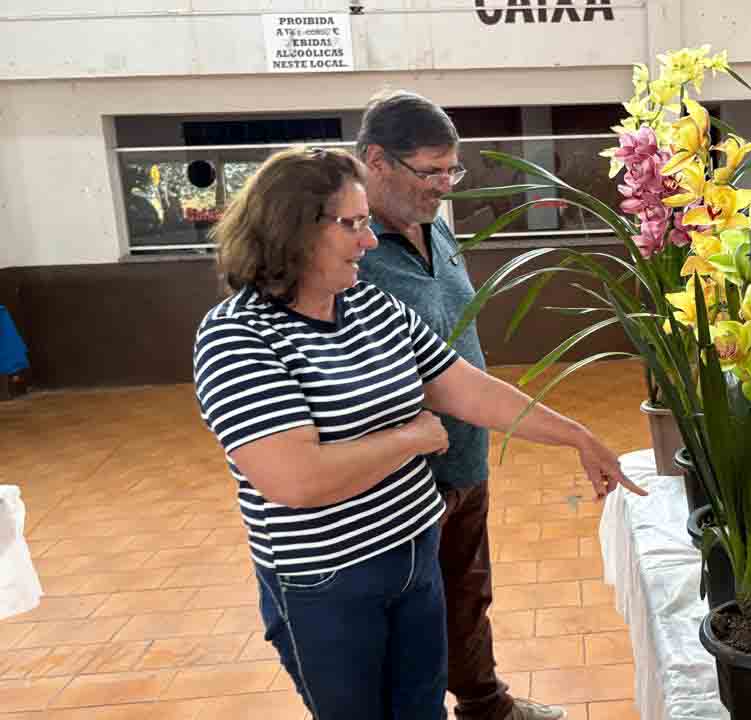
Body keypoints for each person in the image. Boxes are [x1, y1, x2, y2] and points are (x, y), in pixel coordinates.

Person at [192, 146, 643, 720]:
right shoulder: (239, 337)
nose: (370, 240)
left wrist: (577, 435)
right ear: (292, 231)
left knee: (421, 708)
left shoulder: (369, 306)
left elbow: (465, 387)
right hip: (328, 583)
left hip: (412, 553)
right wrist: (412, 440)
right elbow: (295, 480)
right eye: (352, 225)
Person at [353, 90, 571, 720]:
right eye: (431, 172)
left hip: (465, 454)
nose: (445, 186)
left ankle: (484, 703)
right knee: (409, 617)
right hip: (398, 475)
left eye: (453, 171)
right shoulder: (345, 249)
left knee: (469, 592)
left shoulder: (437, 225)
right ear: (376, 161)